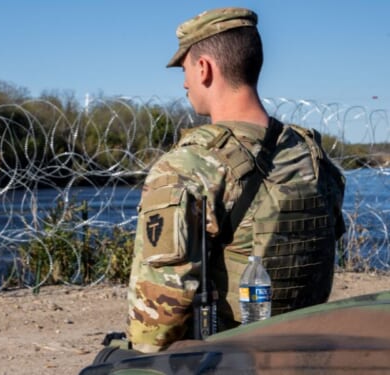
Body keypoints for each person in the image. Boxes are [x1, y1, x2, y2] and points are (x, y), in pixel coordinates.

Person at [123, 7, 346, 353]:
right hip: (307, 353)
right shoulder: (311, 156)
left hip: (231, 359)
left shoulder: (188, 166)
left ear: (204, 68)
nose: (184, 83)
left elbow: (156, 325)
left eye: (184, 70)